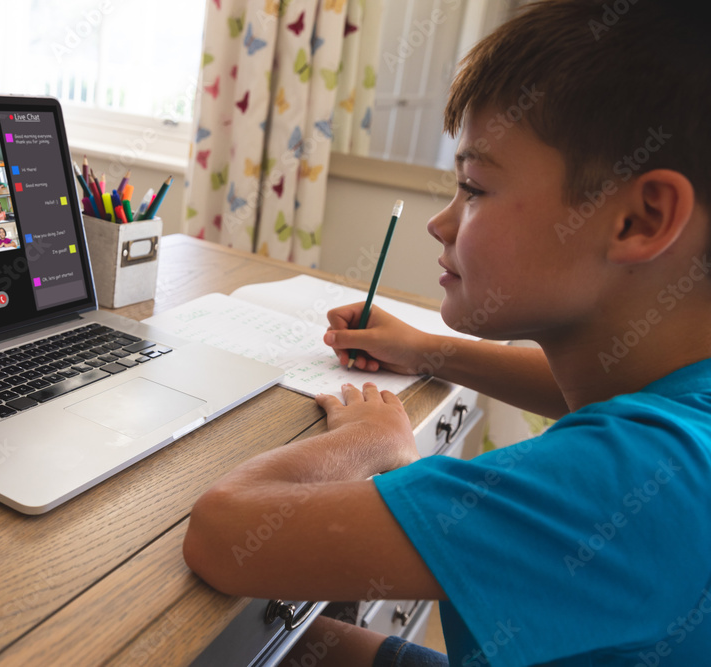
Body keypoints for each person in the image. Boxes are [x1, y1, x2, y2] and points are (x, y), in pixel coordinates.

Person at [183, 2, 711, 666]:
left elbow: (223, 531)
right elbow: (573, 386)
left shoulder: (639, 479)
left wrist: (373, 445)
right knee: (283, 644)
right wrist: (423, 347)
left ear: (641, 218)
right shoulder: (681, 400)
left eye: (474, 187)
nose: (442, 223)